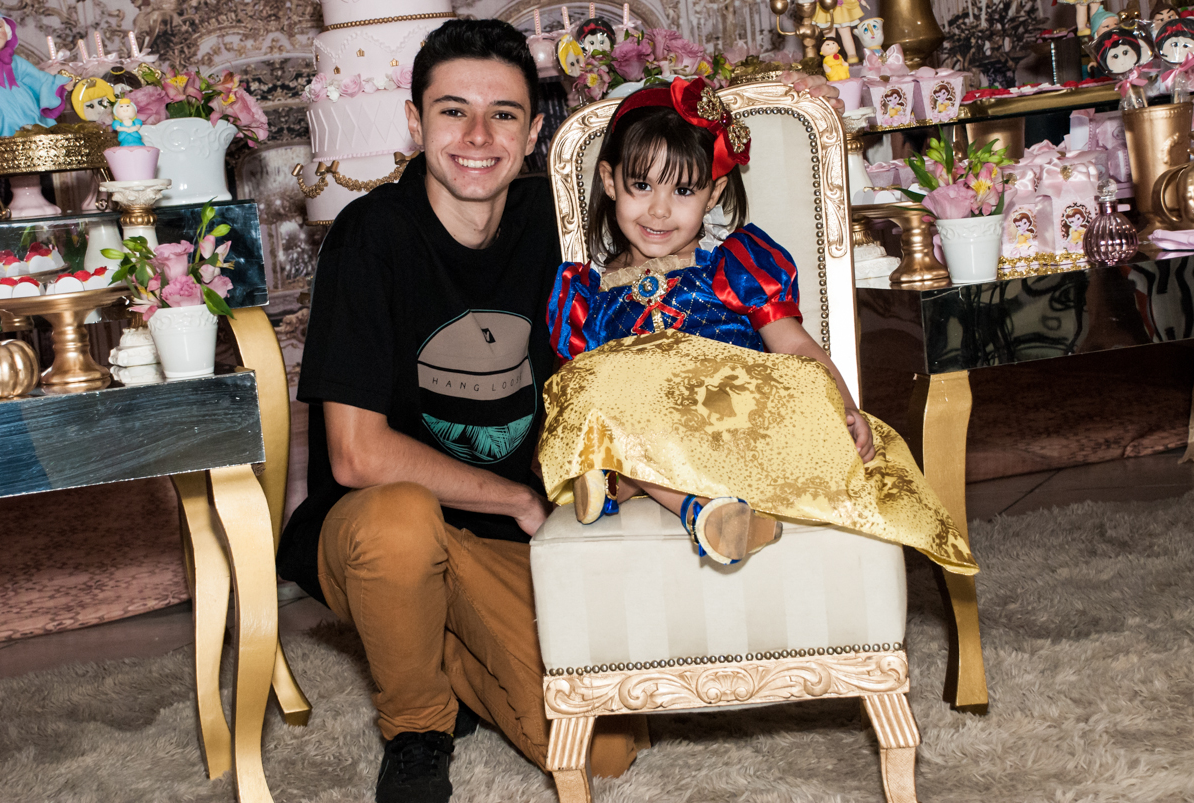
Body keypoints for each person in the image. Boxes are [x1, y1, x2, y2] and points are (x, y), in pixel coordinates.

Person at [278, 19, 845, 803]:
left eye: (503, 114)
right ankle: (416, 725)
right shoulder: (368, 238)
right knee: (399, 526)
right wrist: (516, 496)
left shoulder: (562, 220)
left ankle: (427, 634)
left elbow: (659, 148)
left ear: (536, 130)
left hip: (503, 540)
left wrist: (795, 91)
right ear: (414, 123)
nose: (478, 136)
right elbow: (356, 456)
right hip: (385, 523)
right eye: (452, 111)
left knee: (604, 748)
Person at [542, 77, 979, 576]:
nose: (659, 210)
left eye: (684, 189)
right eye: (641, 185)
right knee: (589, 384)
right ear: (609, 180)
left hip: (733, 420)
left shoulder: (734, 267)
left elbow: (794, 345)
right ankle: (695, 507)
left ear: (714, 193)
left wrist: (844, 405)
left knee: (802, 380)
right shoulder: (587, 298)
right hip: (649, 430)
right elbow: (578, 393)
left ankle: (625, 480)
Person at [0, 12, 71, 137]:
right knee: (3, 122)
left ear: (7, 32)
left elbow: (37, 78)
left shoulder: (15, 61)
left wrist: (59, 83)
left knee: (30, 126)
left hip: (23, 104)